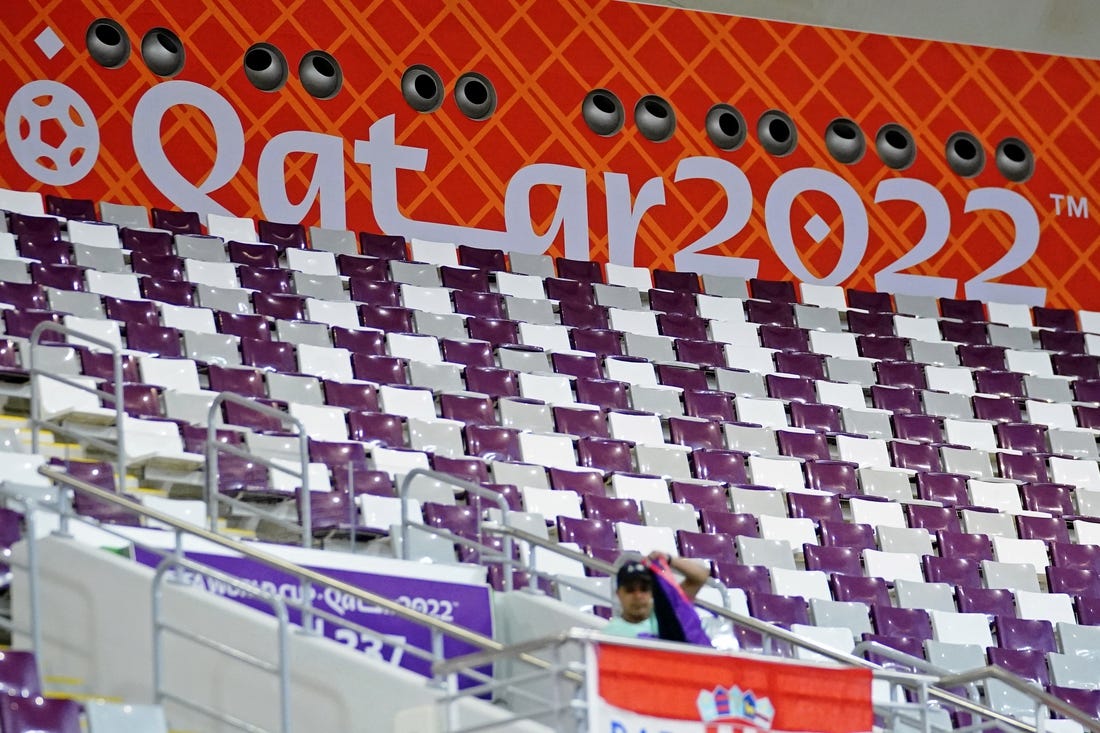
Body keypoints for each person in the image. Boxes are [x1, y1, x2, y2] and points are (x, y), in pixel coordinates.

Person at [602, 550, 710, 641]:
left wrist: (669, 559)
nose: (638, 596)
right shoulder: (609, 635)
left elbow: (700, 577)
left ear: (652, 591)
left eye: (644, 589)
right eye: (630, 590)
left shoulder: (669, 612)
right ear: (618, 594)